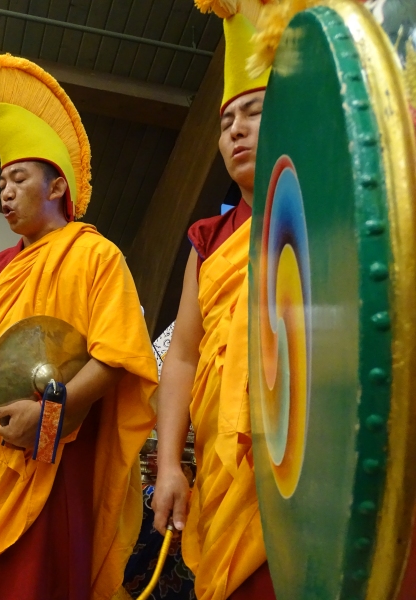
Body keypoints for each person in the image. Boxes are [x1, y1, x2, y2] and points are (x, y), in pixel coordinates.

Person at [0, 54, 158, 600]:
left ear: (58, 185)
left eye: (18, 178)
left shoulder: (96, 255)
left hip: (56, 449)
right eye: (1, 182)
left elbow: (119, 355)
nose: (5, 193)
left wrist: (49, 415)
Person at [150, 12, 276, 600]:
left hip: (306, 446)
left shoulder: (337, 211)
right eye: (226, 121)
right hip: (228, 463)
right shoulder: (210, 239)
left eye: (253, 112)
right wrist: (172, 463)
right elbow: (182, 358)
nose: (235, 131)